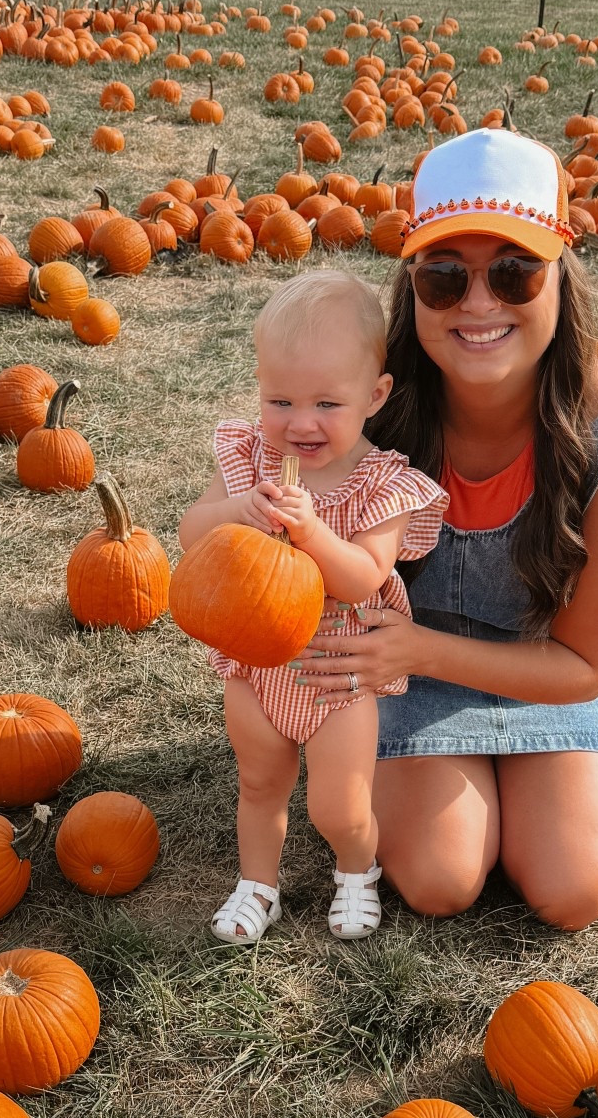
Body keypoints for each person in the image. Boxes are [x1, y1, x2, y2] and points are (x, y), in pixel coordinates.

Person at [294, 128, 598, 929]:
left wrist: (418, 646)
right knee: (440, 880)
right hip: (403, 668)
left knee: (570, 892)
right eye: (444, 277)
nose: (478, 304)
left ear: (560, 278)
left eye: (513, 271)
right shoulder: (371, 406)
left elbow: (584, 662)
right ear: (412, 287)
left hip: (547, 667)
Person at [178, 272, 447, 944]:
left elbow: (363, 578)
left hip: (338, 675)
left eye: (328, 402)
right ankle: (257, 886)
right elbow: (190, 532)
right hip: (254, 661)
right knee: (259, 781)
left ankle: (357, 869)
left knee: (338, 803)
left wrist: (314, 534)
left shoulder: (381, 482)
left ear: (375, 395)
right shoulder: (250, 462)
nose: (301, 422)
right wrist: (234, 513)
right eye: (280, 399)